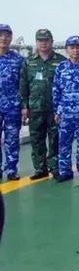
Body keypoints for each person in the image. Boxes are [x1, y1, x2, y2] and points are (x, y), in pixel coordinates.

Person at [20, 28, 66, 179]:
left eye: (46, 40)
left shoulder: (61, 61)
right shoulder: (29, 62)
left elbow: (65, 86)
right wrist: (25, 106)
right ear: (36, 42)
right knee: (37, 139)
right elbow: (24, 85)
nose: (43, 43)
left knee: (55, 139)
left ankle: (55, 168)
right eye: (40, 40)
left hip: (54, 109)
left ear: (51, 42)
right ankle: (40, 169)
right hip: (35, 108)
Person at [52, 36, 79, 182]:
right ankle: (65, 171)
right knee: (64, 143)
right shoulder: (61, 67)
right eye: (72, 47)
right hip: (65, 113)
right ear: (67, 50)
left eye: (78, 47)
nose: (75, 50)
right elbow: (56, 89)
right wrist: (56, 110)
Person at [0, 24, 24, 181]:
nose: (4, 38)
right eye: (1, 35)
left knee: (12, 140)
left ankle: (11, 170)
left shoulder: (18, 60)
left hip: (12, 107)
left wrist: (23, 106)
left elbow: (24, 85)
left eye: (7, 35)